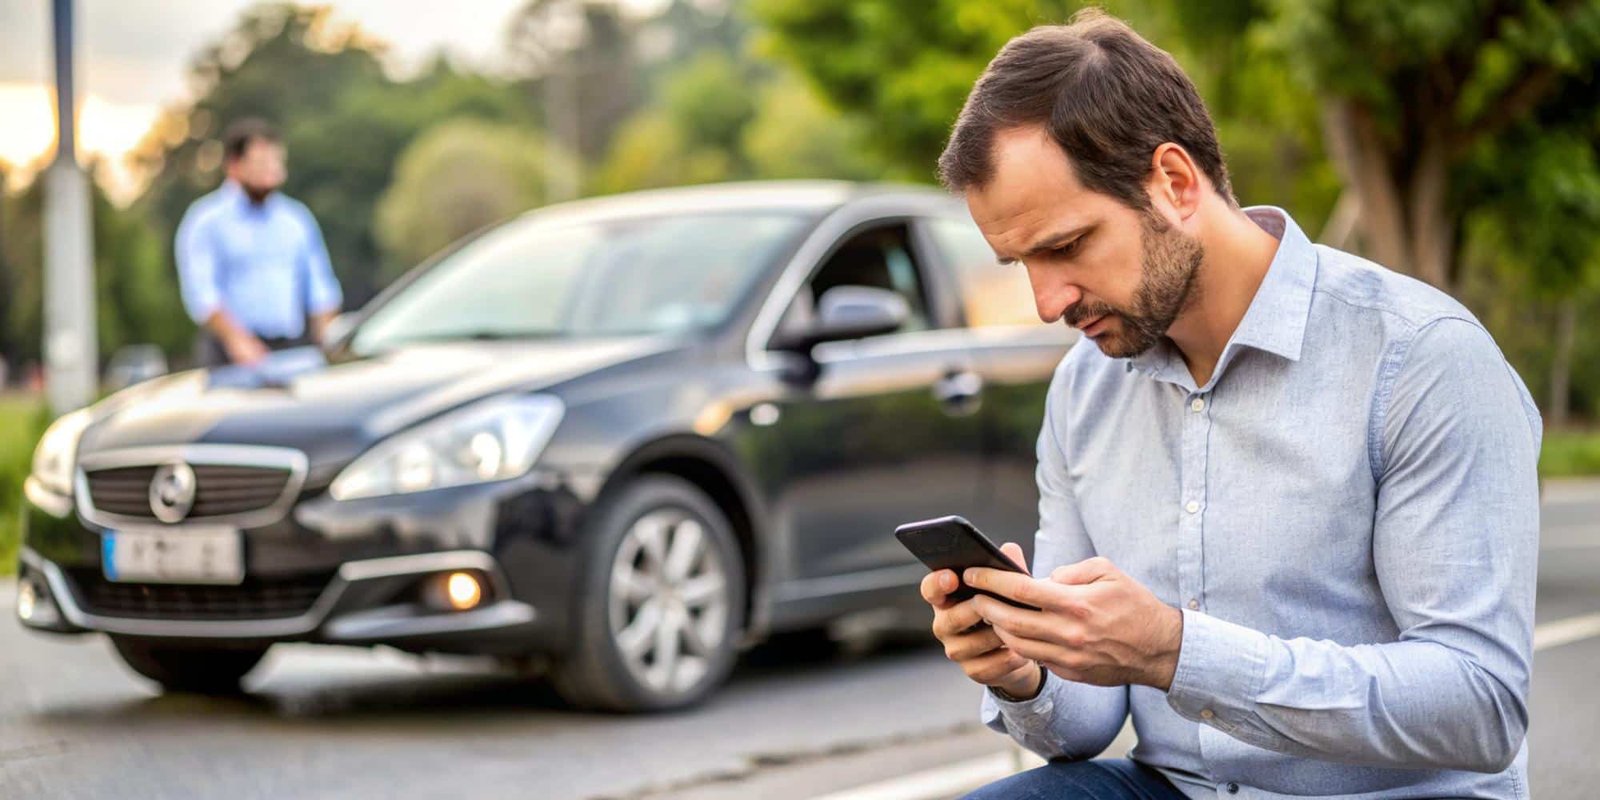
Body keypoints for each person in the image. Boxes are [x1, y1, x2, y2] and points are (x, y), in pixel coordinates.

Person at [923, 10, 1541, 799]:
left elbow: (1480, 704)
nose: (1047, 302)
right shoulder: (1085, 388)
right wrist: (1023, 671)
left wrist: (1176, 652)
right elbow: (1081, 726)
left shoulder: (1421, 359)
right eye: (1020, 263)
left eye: (1067, 246)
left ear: (1175, 184)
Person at [175, 118, 343, 367]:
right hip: (228, 353)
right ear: (234, 165)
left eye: (277, 162)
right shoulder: (206, 220)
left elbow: (321, 288)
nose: (273, 171)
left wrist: (330, 338)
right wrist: (236, 340)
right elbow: (202, 292)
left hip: (289, 349)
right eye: (262, 163)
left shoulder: (295, 219)